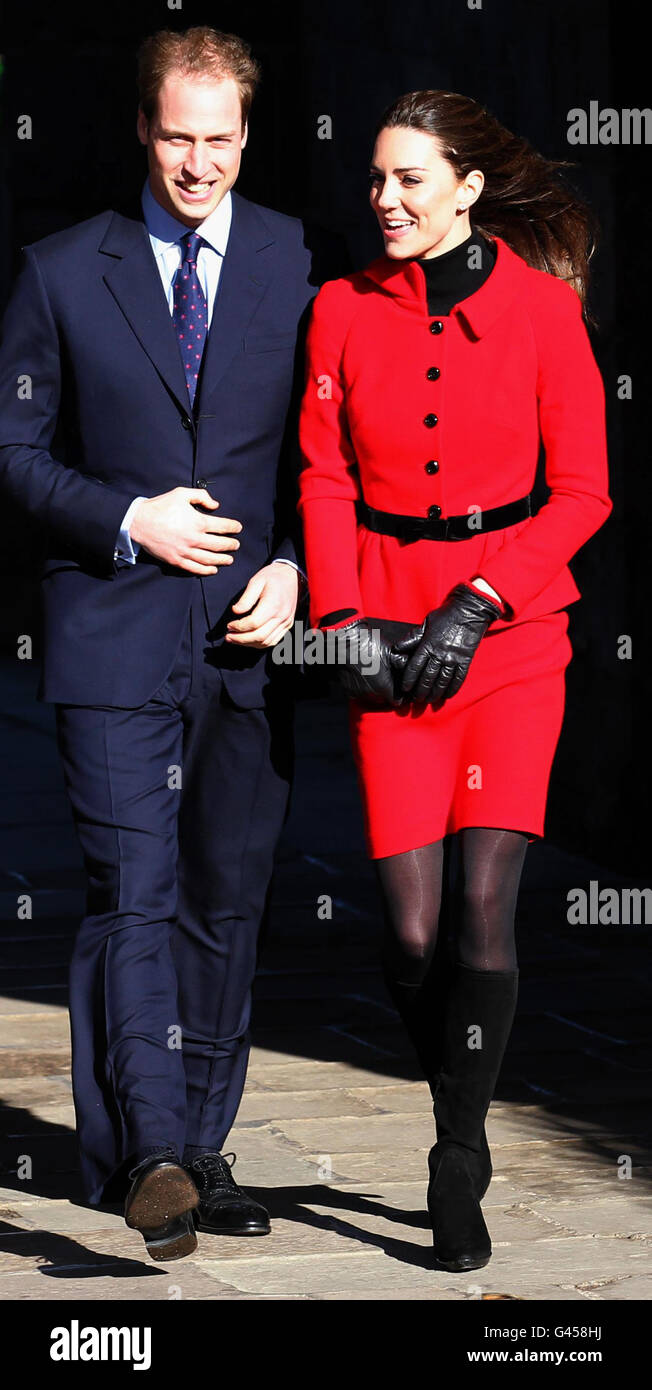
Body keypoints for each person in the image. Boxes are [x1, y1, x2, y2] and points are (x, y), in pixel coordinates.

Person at [0, 25, 322, 1261]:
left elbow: (323, 455)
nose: (197, 162)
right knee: (132, 893)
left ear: (248, 134)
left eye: (219, 138)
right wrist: (124, 515)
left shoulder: (301, 260)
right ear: (143, 129)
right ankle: (153, 1152)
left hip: (247, 639)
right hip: (113, 634)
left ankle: (201, 1140)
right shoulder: (60, 270)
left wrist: (295, 563)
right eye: (176, 135)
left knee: (224, 902)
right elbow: (15, 452)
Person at [297, 90, 612, 1272]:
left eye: (409, 180)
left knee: (484, 902)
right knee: (413, 930)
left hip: (512, 637)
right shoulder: (338, 311)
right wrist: (342, 626)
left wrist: (479, 600)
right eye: (375, 178)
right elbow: (323, 476)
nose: (383, 199)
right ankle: (454, 1094)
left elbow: (583, 489)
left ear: (469, 187)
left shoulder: (543, 314)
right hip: (384, 633)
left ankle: (455, 1150)